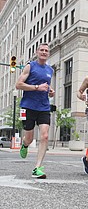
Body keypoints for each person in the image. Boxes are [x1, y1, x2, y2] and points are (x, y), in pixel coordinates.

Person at [17, 43, 55, 179]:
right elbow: (18, 84)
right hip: (28, 106)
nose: (44, 52)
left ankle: (37, 168)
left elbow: (46, 86)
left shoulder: (50, 70)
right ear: (37, 52)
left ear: (48, 54)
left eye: (46, 51)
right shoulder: (30, 66)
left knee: (44, 136)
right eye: (42, 50)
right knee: (29, 138)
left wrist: (50, 91)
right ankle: (24, 144)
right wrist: (37, 87)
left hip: (44, 107)